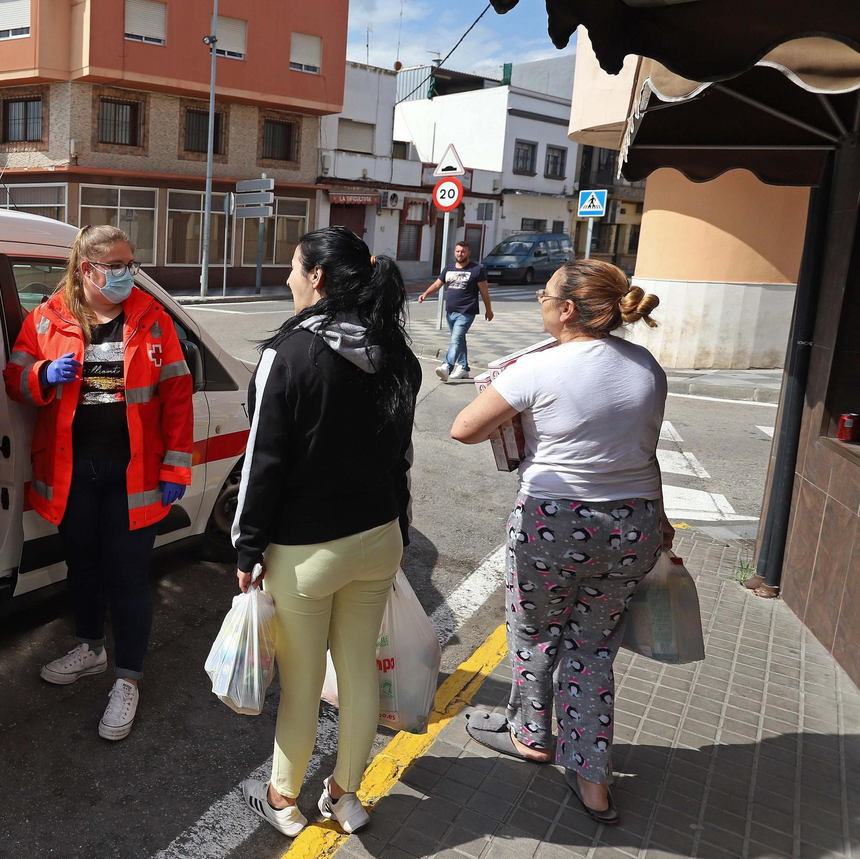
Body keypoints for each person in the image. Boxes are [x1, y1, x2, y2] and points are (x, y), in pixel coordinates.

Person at [449, 259, 667, 824]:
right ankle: (593, 781)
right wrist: (660, 521)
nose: (540, 303)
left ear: (567, 309)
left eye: (545, 295)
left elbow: (464, 429)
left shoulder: (537, 368)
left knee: (535, 631)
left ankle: (530, 734)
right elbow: (646, 449)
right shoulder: (646, 365)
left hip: (556, 522)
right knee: (593, 647)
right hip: (633, 522)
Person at [231, 226, 421, 838]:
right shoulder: (395, 351)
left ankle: (283, 798)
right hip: (378, 538)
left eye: (293, 267)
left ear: (316, 276)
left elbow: (263, 462)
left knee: (304, 685)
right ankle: (345, 796)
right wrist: (401, 530)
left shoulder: (288, 355)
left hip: (306, 551)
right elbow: (400, 459)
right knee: (359, 671)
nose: (288, 278)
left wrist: (246, 545)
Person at [4, 224, 194, 742]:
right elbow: (14, 378)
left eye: (130, 263)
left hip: (133, 477)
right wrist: (43, 375)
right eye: (117, 266)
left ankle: (127, 679)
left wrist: (176, 465)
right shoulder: (46, 318)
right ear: (86, 269)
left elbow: (177, 393)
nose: (127, 274)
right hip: (70, 475)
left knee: (129, 578)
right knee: (82, 568)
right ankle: (90, 648)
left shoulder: (152, 320)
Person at [417, 241, 493, 382]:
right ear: (454, 252)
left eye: (463, 251)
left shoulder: (477, 269)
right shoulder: (449, 268)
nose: (460, 254)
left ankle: (447, 366)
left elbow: (484, 291)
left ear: (469, 252)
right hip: (450, 311)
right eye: (458, 251)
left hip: (466, 311)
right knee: (459, 340)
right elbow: (437, 284)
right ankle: (464, 367)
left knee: (456, 339)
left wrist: (489, 310)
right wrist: (425, 294)